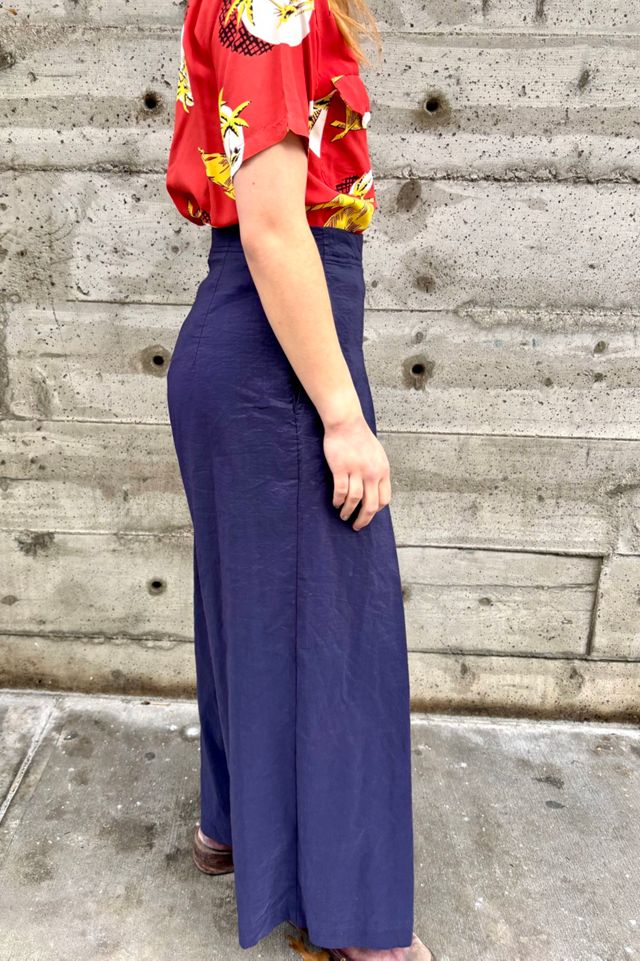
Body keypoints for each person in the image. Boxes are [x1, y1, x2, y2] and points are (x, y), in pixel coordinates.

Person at [165, 0, 435, 958]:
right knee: (336, 636)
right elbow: (276, 228)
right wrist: (345, 417)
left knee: (253, 611)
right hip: (272, 354)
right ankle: (353, 917)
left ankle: (232, 824)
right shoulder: (271, 6)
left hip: (251, 343)